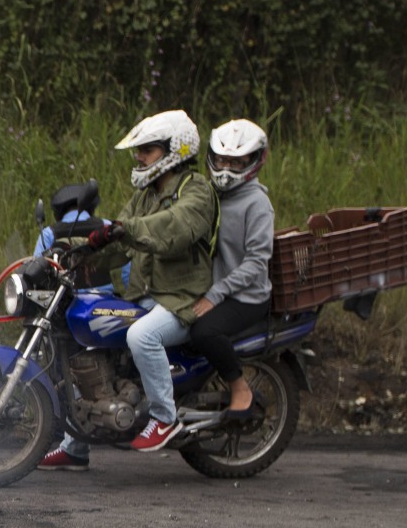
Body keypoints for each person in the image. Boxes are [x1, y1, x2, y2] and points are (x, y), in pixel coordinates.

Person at [37, 108, 217, 467]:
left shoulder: (196, 190)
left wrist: (125, 230)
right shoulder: (145, 195)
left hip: (181, 299)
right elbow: (120, 244)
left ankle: (165, 417)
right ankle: (77, 444)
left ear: (175, 150)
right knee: (83, 340)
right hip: (143, 296)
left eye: (147, 150)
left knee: (140, 338)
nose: (138, 157)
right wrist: (79, 256)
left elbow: (172, 228)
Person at [189, 119, 275, 417]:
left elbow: (256, 261)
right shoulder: (210, 195)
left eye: (237, 162)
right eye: (222, 160)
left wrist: (215, 294)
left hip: (246, 296)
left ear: (256, 160)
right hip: (216, 286)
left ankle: (240, 387)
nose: (226, 169)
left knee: (203, 332)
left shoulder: (257, 204)